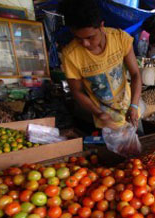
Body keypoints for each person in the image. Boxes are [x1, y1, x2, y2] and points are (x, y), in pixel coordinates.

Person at [59, 0, 143, 130]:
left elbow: (136, 74)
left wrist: (134, 106)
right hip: (103, 119)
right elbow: (77, 92)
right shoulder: (70, 55)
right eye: (78, 38)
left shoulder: (120, 38)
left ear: (101, 26)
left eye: (90, 37)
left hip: (130, 110)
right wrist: (99, 113)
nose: (85, 44)